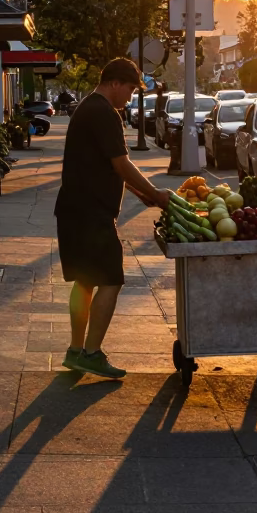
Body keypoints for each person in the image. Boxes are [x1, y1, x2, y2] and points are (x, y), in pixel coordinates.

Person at [55, 58, 171, 378]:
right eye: (131, 89)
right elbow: (120, 164)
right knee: (111, 280)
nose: (131, 97)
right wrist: (157, 194)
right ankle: (91, 353)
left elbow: (102, 166)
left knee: (86, 281)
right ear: (115, 83)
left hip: (74, 210)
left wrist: (140, 194)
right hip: (92, 214)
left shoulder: (88, 108)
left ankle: (76, 350)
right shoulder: (105, 113)